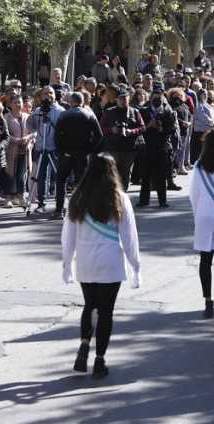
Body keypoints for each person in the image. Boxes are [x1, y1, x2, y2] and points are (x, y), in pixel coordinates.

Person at [61, 153, 141, 379]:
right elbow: (130, 237)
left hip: (86, 262)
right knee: (106, 311)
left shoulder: (77, 198)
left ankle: (85, 344)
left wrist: (67, 264)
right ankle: (99, 360)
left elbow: (68, 237)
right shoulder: (120, 199)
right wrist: (135, 266)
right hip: (111, 263)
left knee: (89, 305)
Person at [189, 130, 214, 318]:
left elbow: (193, 195)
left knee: (206, 260)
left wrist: (198, 214)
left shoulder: (198, 166)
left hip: (205, 215)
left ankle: (207, 300)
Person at [53, 92, 103, 219]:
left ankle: (59, 209)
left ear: (71, 102)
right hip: (83, 153)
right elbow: (99, 136)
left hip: (66, 154)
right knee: (82, 182)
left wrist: (60, 151)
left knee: (61, 181)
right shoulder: (89, 114)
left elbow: (57, 135)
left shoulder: (63, 115)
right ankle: (84, 209)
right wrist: (91, 149)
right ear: (83, 102)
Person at [99, 84, 144, 190]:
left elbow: (142, 127)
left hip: (129, 148)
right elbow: (101, 128)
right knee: (112, 173)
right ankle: (112, 196)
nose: (123, 100)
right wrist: (111, 129)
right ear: (116, 99)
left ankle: (123, 198)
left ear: (129, 99)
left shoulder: (135, 111)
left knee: (125, 173)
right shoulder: (109, 112)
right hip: (112, 148)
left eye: (125, 98)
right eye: (120, 98)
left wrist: (131, 131)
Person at [138, 89, 177, 208]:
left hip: (161, 147)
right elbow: (139, 127)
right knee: (145, 176)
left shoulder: (167, 111)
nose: (157, 100)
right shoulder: (143, 111)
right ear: (150, 99)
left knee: (161, 176)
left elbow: (172, 128)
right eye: (155, 98)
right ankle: (144, 200)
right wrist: (149, 125)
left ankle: (162, 200)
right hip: (147, 146)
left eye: (159, 98)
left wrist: (161, 129)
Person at [28, 86, 64, 212]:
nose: (48, 95)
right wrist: (32, 116)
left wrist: (51, 122)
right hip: (41, 148)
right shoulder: (38, 110)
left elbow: (62, 130)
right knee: (40, 176)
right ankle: (41, 204)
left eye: (50, 93)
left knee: (58, 175)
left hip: (54, 148)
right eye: (45, 93)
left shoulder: (60, 111)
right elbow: (32, 127)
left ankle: (60, 204)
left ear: (55, 95)